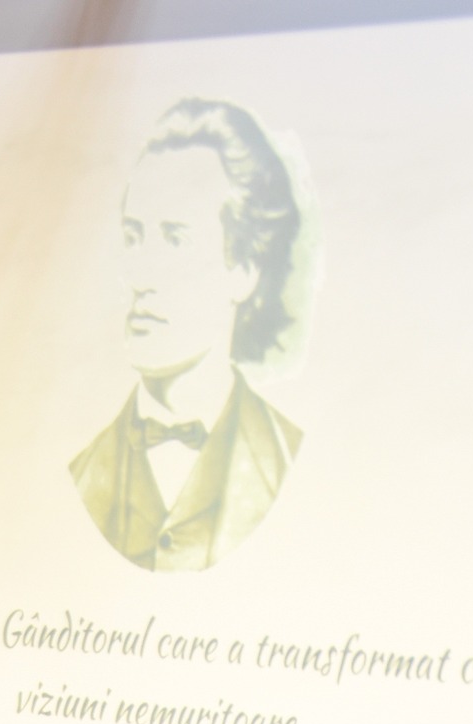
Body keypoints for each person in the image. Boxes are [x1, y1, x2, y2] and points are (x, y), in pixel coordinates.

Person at [70, 97, 305, 573]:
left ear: (244, 268)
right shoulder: (80, 471)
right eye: (133, 238)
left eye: (176, 240)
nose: (139, 276)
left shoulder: (290, 462)